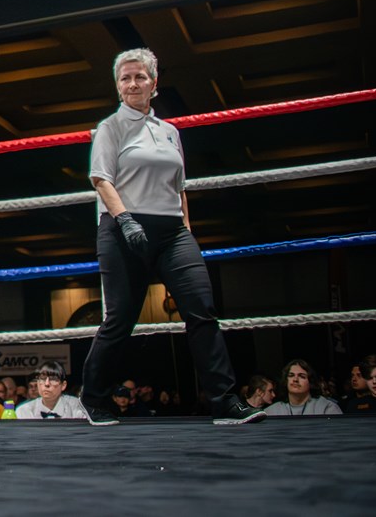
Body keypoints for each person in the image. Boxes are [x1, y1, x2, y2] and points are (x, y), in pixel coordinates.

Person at [80, 48, 263, 427]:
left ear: (154, 84)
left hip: (171, 230)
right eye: (125, 78)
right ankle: (93, 396)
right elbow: (101, 179)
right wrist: (126, 220)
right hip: (122, 226)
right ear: (117, 86)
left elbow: (180, 188)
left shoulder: (170, 132)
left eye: (139, 77)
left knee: (202, 310)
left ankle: (225, 401)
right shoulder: (109, 128)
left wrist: (188, 235)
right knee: (121, 318)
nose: (132, 83)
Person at [263, 359, 342, 417]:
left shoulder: (327, 408)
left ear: (310, 382)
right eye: (291, 375)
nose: (295, 379)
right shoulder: (271, 412)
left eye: (301, 376)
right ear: (286, 381)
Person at [15, 361, 86, 420]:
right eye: (42, 379)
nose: (47, 384)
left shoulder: (77, 407)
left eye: (53, 379)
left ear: (63, 385)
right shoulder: (24, 410)